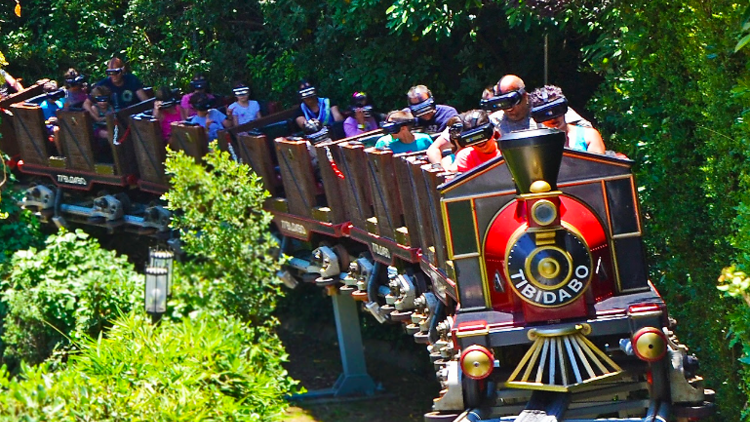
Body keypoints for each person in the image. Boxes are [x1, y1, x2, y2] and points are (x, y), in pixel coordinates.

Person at [529, 85, 606, 154]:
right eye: (545, 114)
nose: (553, 118)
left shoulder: (588, 136)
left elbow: (598, 168)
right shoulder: (533, 144)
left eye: (557, 111)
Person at [84, 57, 148, 115]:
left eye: (116, 72)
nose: (113, 76)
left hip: (134, 115)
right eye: (110, 73)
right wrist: (97, 118)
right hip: (115, 120)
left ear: (122, 70)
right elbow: (86, 104)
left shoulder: (131, 79)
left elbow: (144, 101)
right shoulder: (103, 84)